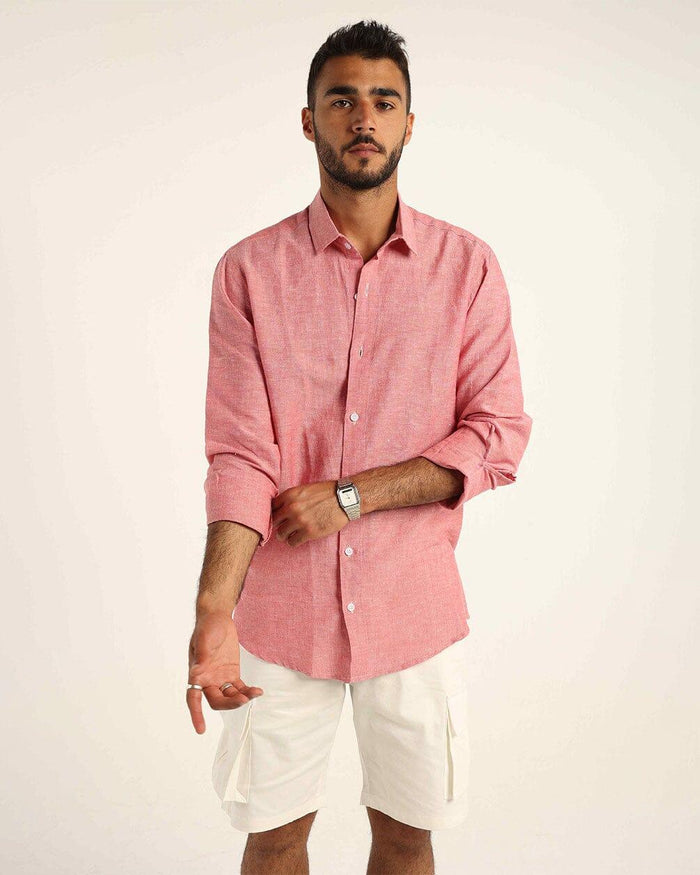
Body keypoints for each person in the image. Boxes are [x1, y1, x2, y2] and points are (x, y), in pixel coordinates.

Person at [186, 18, 533, 875]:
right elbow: (240, 456)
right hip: (282, 616)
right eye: (342, 100)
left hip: (413, 609)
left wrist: (352, 495)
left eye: (384, 100)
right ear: (309, 120)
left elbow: (496, 433)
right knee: (273, 838)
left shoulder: (468, 267)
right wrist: (213, 611)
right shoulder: (248, 272)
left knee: (409, 837)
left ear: (410, 122)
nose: (364, 117)